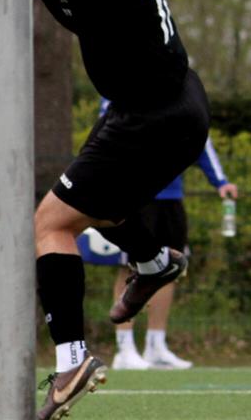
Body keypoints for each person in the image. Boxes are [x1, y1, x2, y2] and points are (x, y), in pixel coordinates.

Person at [29, 0, 210, 420]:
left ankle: (72, 359)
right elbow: (70, 12)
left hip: (150, 116)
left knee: (51, 224)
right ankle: (155, 262)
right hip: (175, 102)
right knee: (100, 209)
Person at [81, 99, 238, 370]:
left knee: (169, 268)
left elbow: (200, 138)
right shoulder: (121, 86)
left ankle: (156, 345)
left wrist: (220, 182)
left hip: (171, 196)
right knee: (130, 266)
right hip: (136, 193)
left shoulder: (182, 91)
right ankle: (125, 348)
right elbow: (110, 130)